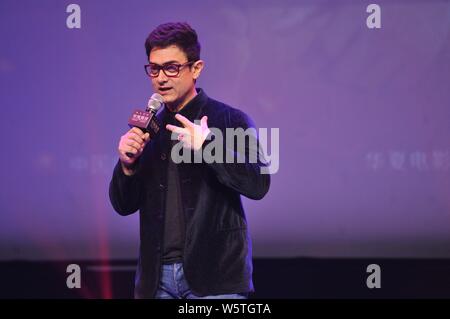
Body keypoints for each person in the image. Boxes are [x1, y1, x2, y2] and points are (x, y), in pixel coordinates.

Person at [109, 22, 270, 299]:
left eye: (171, 67)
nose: (161, 78)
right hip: (156, 281)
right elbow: (124, 205)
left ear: (196, 68)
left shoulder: (230, 120)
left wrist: (207, 145)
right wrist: (126, 165)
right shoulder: (149, 128)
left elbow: (258, 183)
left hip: (217, 279)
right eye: (154, 69)